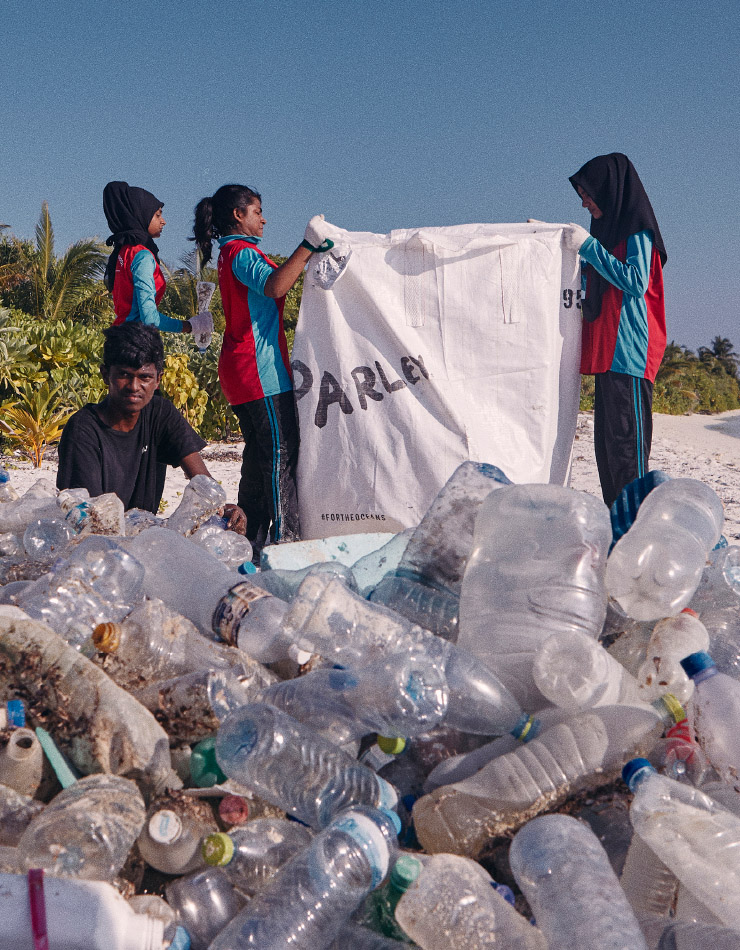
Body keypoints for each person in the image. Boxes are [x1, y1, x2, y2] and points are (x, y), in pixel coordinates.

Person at [192, 184, 334, 557]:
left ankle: (248, 545)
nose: (264, 219)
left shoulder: (231, 253)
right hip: (259, 371)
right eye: (257, 211)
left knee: (259, 461)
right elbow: (274, 286)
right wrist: (307, 245)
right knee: (279, 456)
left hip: (242, 371)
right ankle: (286, 544)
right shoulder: (241, 253)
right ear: (238, 215)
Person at [57, 322, 246, 530]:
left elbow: (204, 485)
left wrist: (225, 511)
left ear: (158, 380)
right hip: (97, 539)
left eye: (144, 377)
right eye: (123, 375)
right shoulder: (83, 430)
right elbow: (88, 522)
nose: (134, 387)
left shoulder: (160, 413)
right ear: (105, 375)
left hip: (142, 534)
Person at [565, 153, 667, 508]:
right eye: (581, 196)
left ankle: (636, 530)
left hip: (629, 353)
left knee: (627, 454)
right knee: (606, 453)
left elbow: (636, 282)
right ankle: (616, 527)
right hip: (606, 353)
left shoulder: (637, 230)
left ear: (609, 189)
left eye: (588, 194)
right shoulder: (604, 235)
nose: (585, 202)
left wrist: (588, 247)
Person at [102, 181, 213, 346]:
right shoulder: (142, 256)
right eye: (158, 215)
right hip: (136, 343)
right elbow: (150, 318)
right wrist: (191, 326)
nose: (163, 221)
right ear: (141, 215)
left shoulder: (122, 252)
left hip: (117, 340)